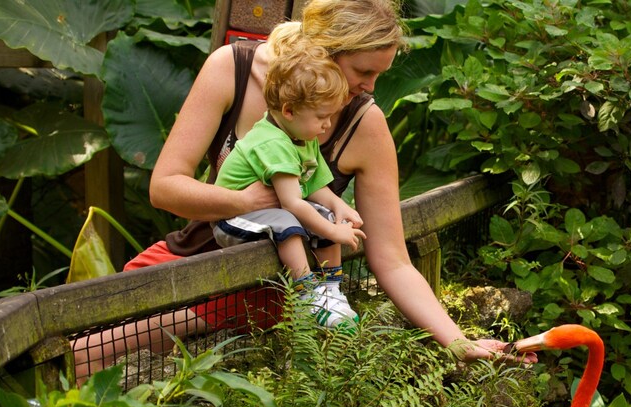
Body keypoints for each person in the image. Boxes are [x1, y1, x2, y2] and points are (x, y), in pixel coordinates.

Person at [72, 0, 535, 380]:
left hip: (269, 283)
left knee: (89, 353)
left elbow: (391, 258)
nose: (370, 88)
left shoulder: (364, 123)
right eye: (362, 71)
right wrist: (243, 201)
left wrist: (457, 341)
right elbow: (165, 188)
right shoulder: (231, 69)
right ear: (323, 51)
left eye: (380, 75)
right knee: (80, 334)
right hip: (196, 250)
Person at [211, 25, 363, 328]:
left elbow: (316, 185)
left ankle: (331, 291)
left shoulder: (303, 136)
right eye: (321, 117)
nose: (326, 125)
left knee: (321, 214)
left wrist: (338, 209)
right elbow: (293, 202)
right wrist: (334, 234)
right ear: (289, 110)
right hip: (233, 219)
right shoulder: (274, 143)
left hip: (266, 211)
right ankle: (306, 295)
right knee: (291, 222)